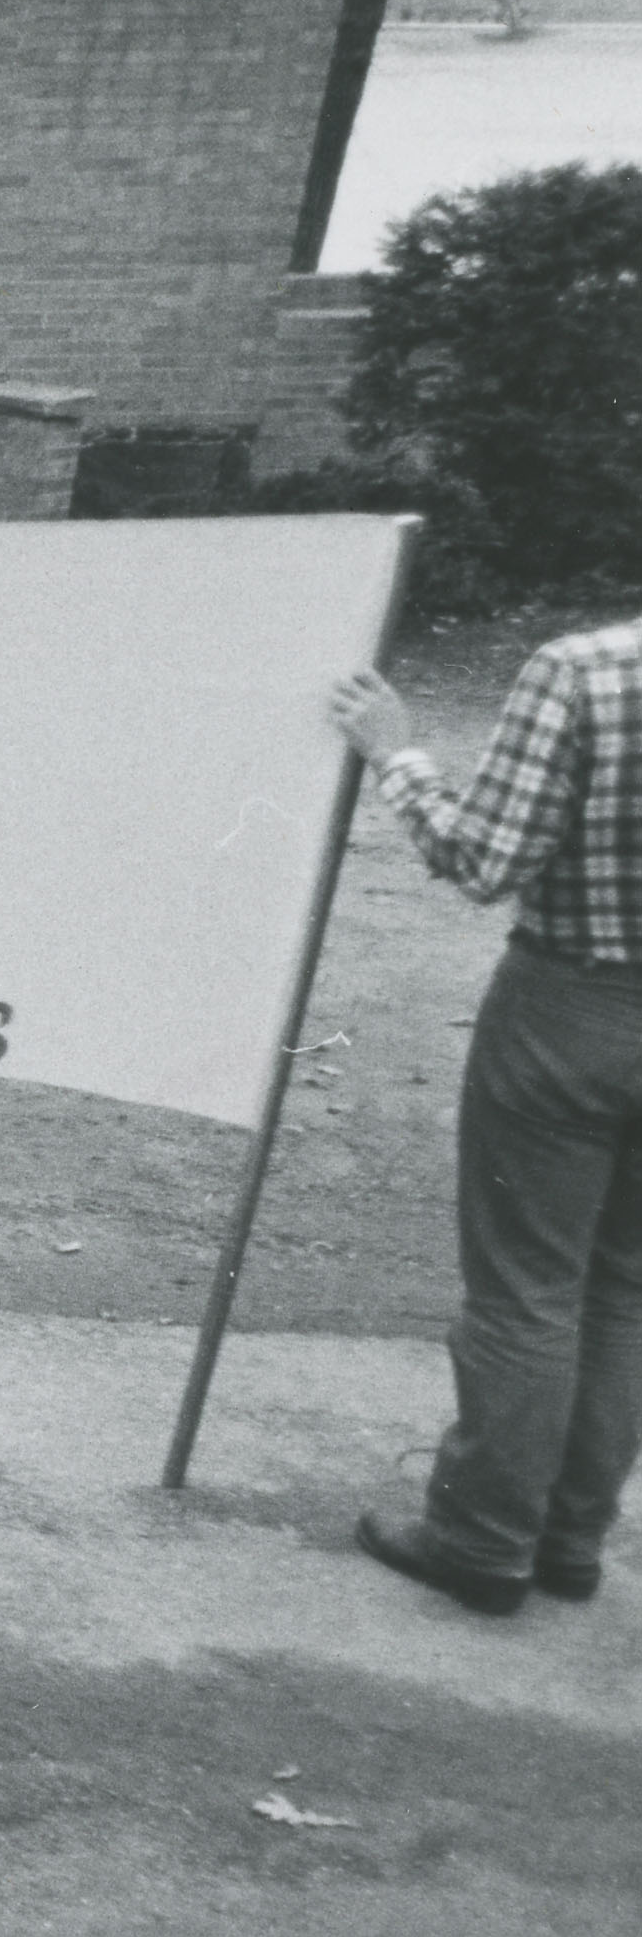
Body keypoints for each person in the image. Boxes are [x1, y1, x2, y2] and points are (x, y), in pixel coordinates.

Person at [330, 640, 642, 1614]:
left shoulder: (586, 669)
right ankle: (566, 1540)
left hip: (573, 1005)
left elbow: (480, 858)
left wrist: (395, 754)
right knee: (625, 1285)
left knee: (525, 1287)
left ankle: (483, 1540)